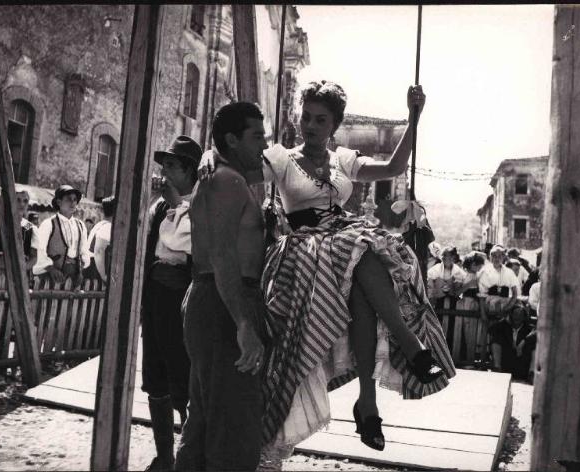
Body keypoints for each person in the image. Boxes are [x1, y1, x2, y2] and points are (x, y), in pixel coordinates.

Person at [201, 82, 455, 460]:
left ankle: (368, 403)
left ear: (335, 125)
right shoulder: (282, 159)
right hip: (306, 250)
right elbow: (238, 160)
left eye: (321, 120)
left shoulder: (344, 160)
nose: (311, 126)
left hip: (345, 246)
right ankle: (406, 351)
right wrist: (210, 155)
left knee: (365, 280)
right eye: (306, 117)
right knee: (363, 249)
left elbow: (394, 167)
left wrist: (414, 119)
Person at [175, 103, 267, 471]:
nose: (264, 144)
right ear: (232, 138)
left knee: (204, 420)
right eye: (257, 136)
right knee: (232, 429)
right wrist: (243, 323)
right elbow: (223, 255)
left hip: (213, 299)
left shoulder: (225, 175)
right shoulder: (227, 180)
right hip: (224, 301)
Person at [142, 136, 201, 471]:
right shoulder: (161, 205)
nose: (164, 172)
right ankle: (164, 454)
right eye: (163, 165)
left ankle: (188, 451)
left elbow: (184, 241)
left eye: (172, 166)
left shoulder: (199, 204)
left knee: (183, 371)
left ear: (189, 171)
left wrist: (177, 202)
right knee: (155, 372)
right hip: (156, 294)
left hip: (184, 296)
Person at [33, 185, 91, 287]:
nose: (73, 203)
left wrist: (80, 271)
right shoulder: (49, 224)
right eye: (68, 199)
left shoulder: (80, 226)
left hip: (72, 279)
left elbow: (84, 252)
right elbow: (39, 250)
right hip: (50, 278)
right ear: (59, 202)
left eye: (75, 200)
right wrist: (50, 268)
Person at [0, 188, 39, 288]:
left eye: (25, 201)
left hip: (20, 276)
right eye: (18, 200)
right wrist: (9, 266)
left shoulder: (30, 227)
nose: (22, 204)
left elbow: (34, 257)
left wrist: (22, 268)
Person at [489, 301, 536, 381]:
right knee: (496, 339)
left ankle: (531, 374)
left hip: (521, 364)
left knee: (534, 346)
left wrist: (523, 342)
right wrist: (504, 318)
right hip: (506, 362)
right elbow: (492, 329)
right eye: (515, 314)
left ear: (524, 317)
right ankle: (497, 369)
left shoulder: (528, 329)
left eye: (520, 314)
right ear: (511, 316)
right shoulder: (504, 327)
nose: (517, 317)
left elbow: (536, 333)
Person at [478, 245, 520, 321]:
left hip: (506, 307)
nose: (497, 258)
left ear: (503, 257)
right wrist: (483, 314)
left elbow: (515, 293)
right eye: (494, 256)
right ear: (490, 257)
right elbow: (481, 296)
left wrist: (507, 308)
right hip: (489, 308)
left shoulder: (509, 272)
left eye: (500, 256)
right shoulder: (484, 271)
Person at [84, 195, 115, 283]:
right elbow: (99, 251)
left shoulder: (100, 224)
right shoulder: (108, 227)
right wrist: (103, 275)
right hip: (95, 269)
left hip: (93, 266)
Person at [427, 246, 466, 311]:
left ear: (452, 257)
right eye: (442, 255)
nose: (443, 257)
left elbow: (463, 285)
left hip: (453, 303)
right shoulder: (435, 269)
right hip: (437, 302)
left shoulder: (458, 271)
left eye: (445, 255)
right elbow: (429, 284)